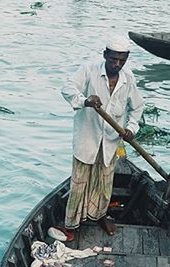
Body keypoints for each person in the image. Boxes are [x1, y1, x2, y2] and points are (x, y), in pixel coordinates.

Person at [59, 35, 144, 240]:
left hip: (111, 140)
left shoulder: (128, 78)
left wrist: (131, 128)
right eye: (113, 59)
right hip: (87, 137)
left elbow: (137, 107)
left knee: (105, 182)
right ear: (105, 55)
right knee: (79, 183)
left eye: (121, 60)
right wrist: (85, 100)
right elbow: (67, 88)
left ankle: (99, 215)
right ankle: (70, 224)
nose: (117, 64)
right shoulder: (89, 69)